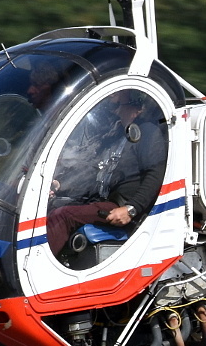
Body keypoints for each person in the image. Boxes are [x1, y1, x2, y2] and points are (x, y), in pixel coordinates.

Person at [46, 90, 167, 255]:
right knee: (52, 207)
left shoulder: (146, 132)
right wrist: (61, 185)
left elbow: (156, 172)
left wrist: (132, 208)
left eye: (119, 102)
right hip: (101, 199)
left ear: (136, 107)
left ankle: (31, 271)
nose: (114, 104)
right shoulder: (115, 135)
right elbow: (93, 171)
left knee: (63, 215)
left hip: (120, 205)